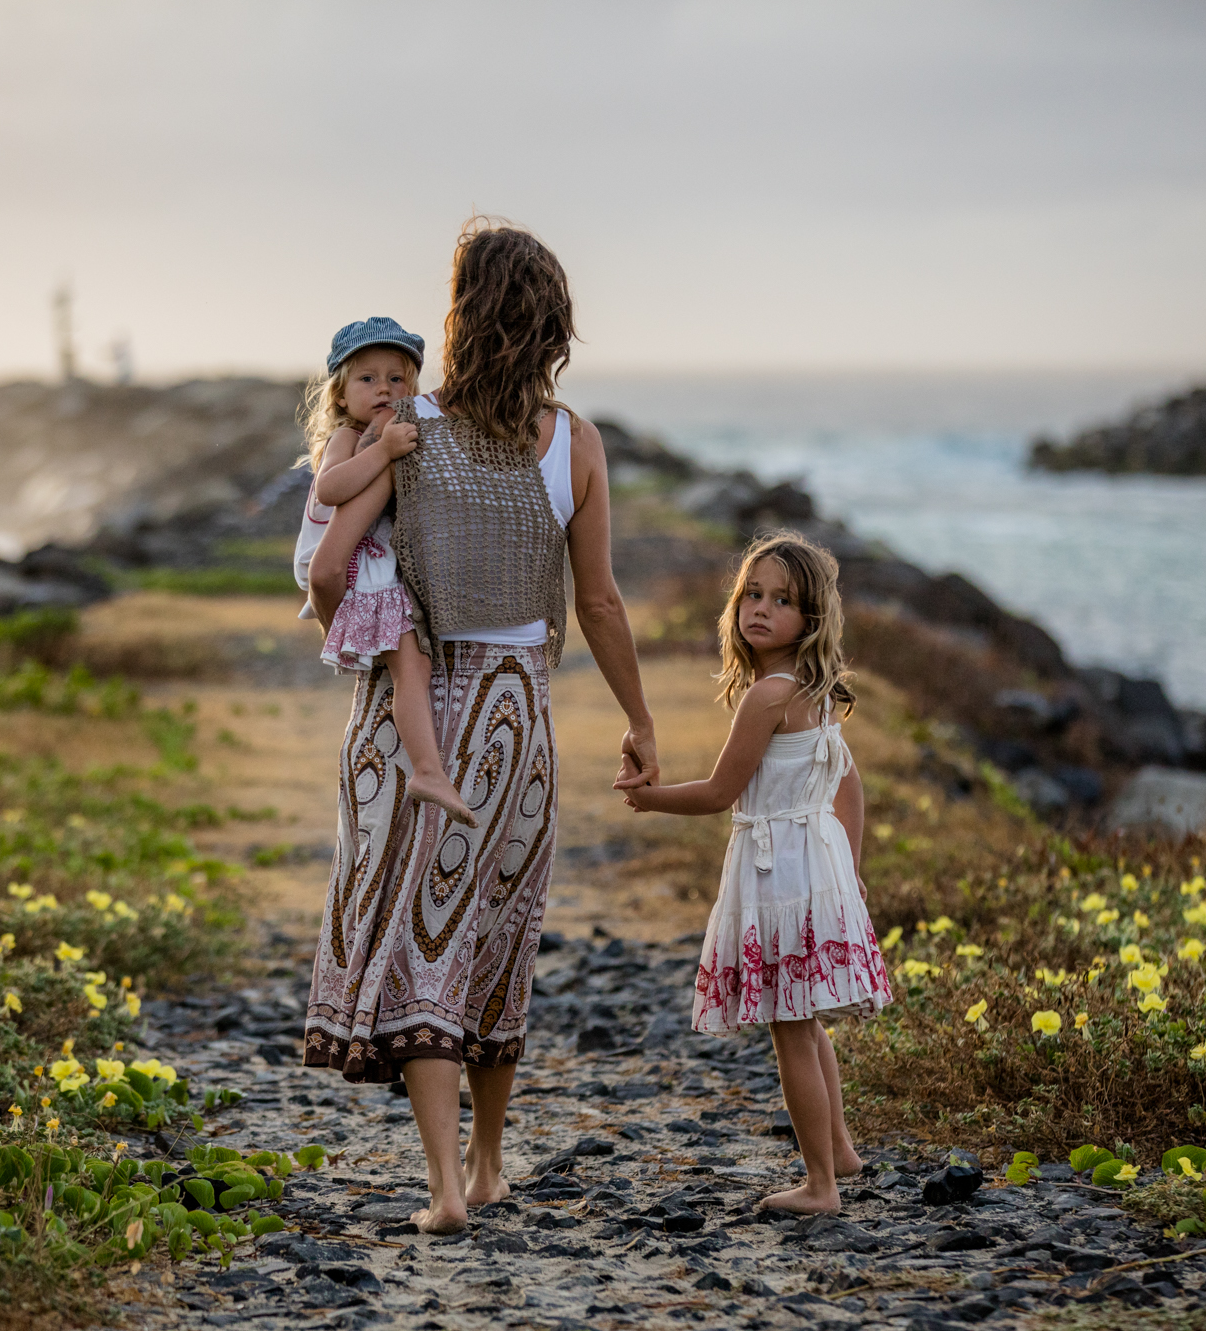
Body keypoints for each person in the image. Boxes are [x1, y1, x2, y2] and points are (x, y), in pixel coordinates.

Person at [303, 221, 659, 1234]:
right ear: (550, 327)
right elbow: (597, 604)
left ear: (459, 315)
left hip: (410, 711)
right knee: (496, 928)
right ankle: (490, 1158)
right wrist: (638, 720)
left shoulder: (401, 423)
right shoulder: (575, 441)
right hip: (519, 715)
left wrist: (364, 651)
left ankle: (442, 1190)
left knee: (423, 929)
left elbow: (330, 570)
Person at [622, 533, 892, 1214]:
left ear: (810, 620)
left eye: (782, 600)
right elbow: (849, 787)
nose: (761, 609)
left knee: (790, 1027)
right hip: (815, 861)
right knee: (805, 1020)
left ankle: (821, 1184)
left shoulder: (769, 696)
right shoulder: (818, 689)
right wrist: (847, 871)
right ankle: (845, 1152)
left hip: (782, 868)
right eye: (752, 594)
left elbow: (720, 792)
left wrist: (649, 797)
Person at [292, 317, 475, 827]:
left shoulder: (386, 431)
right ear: (341, 396)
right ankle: (427, 769)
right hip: (355, 568)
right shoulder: (348, 439)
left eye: (397, 379)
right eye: (367, 379)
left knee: (411, 667)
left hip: (372, 567)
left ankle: (427, 769)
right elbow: (331, 490)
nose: (384, 388)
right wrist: (385, 450)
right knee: (409, 668)